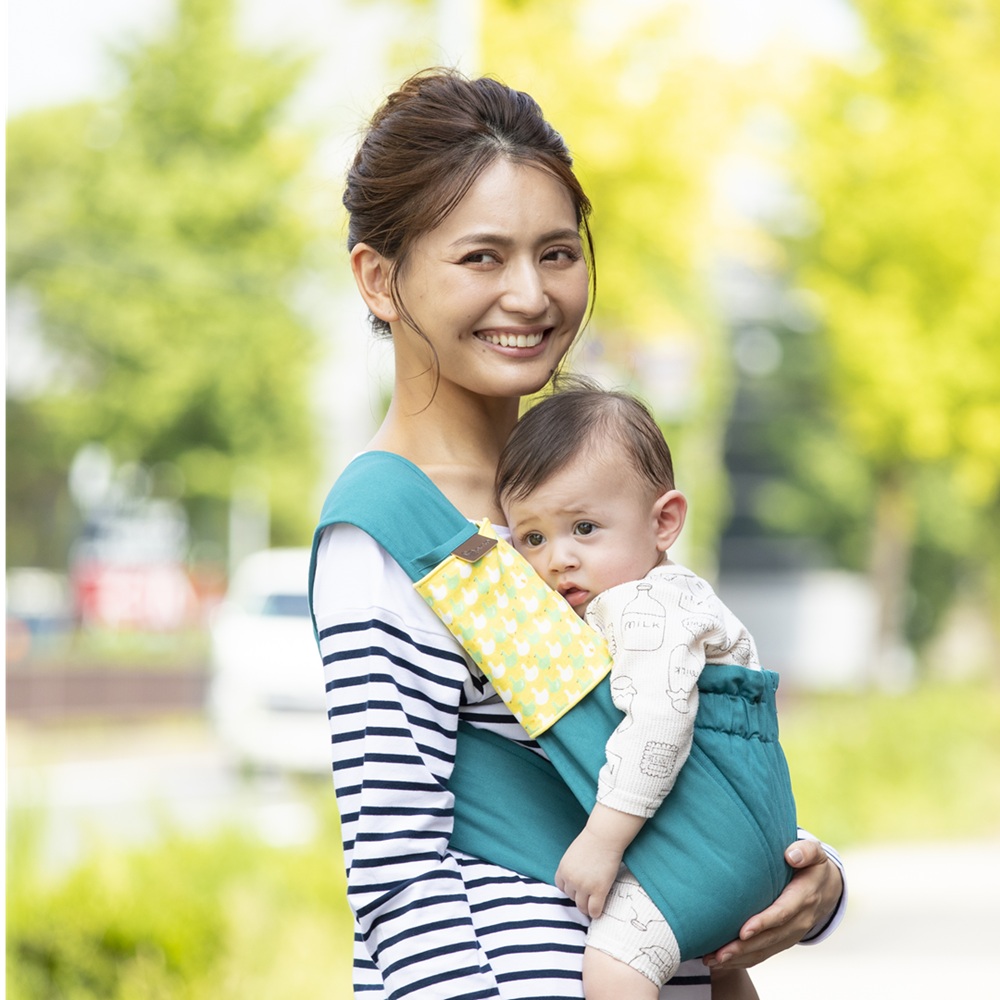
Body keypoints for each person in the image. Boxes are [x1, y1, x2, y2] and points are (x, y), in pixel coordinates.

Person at [310, 67, 846, 999]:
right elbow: (398, 884)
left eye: (557, 253)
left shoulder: (581, 504)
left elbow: (678, 738)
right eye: (482, 257)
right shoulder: (391, 537)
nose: (530, 294)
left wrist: (810, 884)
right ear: (380, 278)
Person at [497, 381, 794, 1000]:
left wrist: (601, 841)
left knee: (613, 968)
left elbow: (659, 723)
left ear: (664, 521)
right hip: (746, 840)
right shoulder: (669, 595)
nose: (558, 559)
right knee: (721, 966)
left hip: (712, 846)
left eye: (584, 526)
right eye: (532, 538)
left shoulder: (644, 606)